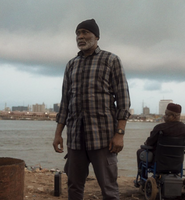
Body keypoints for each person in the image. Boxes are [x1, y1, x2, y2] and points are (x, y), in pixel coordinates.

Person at [52, 19, 131, 200]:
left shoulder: (111, 60)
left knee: (109, 188)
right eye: (78, 33)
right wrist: (58, 134)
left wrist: (119, 134)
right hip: (75, 139)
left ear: (96, 36)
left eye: (85, 32)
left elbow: (123, 100)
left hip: (102, 138)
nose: (80, 37)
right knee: (74, 186)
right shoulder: (71, 65)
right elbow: (65, 102)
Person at [136, 103, 185, 175]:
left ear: (171, 116)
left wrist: (146, 144)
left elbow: (149, 142)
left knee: (140, 151)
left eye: (165, 114)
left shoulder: (160, 128)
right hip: (177, 162)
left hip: (159, 160)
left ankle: (142, 178)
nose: (164, 116)